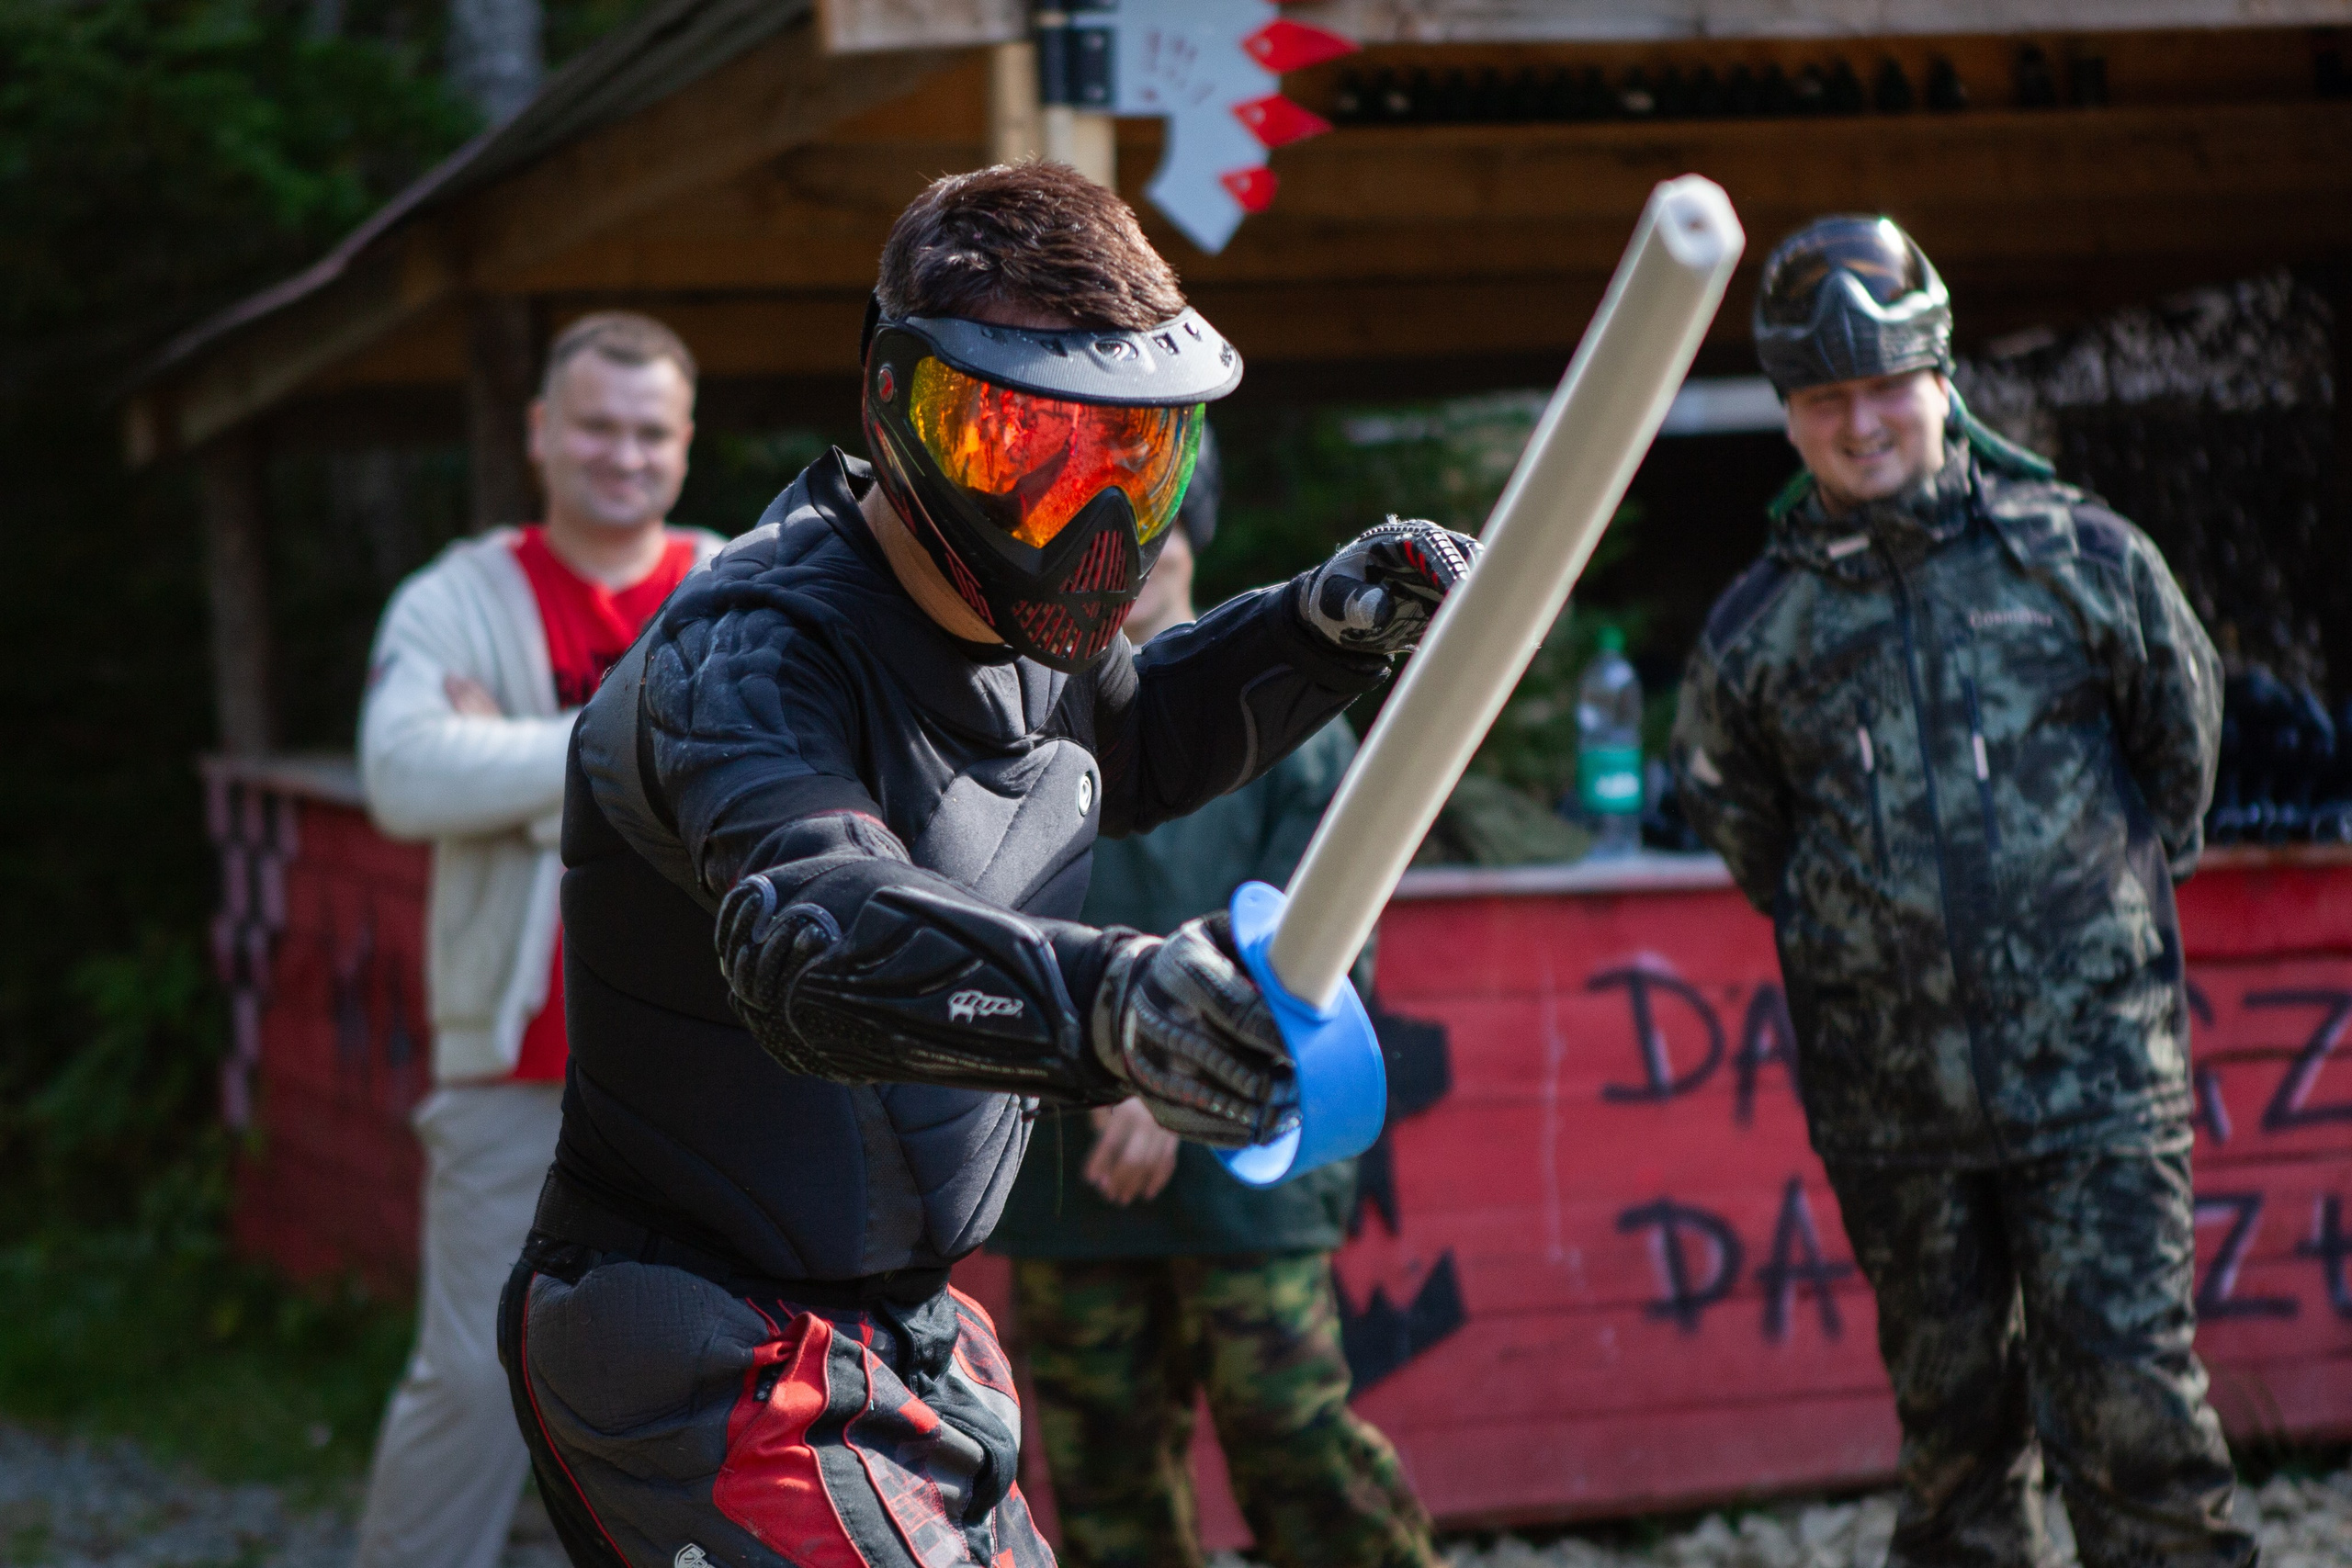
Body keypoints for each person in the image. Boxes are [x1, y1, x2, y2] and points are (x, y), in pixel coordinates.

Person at [495, 161, 1477, 1568]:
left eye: (1130, 453)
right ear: (898, 405)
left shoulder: (1014, 635)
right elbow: (817, 928)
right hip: (697, 1343)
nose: (1085, 510)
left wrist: (1322, 629)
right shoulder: (750, 653)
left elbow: (1120, 750)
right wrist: (1119, 1004)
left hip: (909, 1331)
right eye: (1025, 438)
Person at [1670, 215, 2249, 1568]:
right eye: (1826, 397)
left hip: (2098, 1082)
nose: (1861, 422)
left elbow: (2181, 759)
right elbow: (1750, 832)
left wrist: (2069, 929)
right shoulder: (1759, 630)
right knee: (1955, 1444)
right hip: (1895, 1112)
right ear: (1792, 413)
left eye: (1886, 385)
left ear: (1941, 378)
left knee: (2139, 1419)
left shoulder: (2083, 559)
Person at [988, 427, 1440, 1568]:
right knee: (1106, 1481)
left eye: (1153, 533)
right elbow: (979, 929)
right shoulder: (1006, 718)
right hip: (1070, 1176)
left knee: (1290, 1435)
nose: (1131, 567)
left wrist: (1160, 1090)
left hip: (1248, 1164)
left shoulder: (1281, 717)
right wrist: (1088, 1076)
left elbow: (1322, 932)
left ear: (1192, 536)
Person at [355, 311, 722, 1568]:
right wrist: (631, 747)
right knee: (469, 1375)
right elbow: (404, 775)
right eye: (597, 425)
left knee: (720, 1381)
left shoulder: (740, 581)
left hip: (714, 1071)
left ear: (684, 443)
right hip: (516, 1062)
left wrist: (516, 756)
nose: (622, 454)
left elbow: (801, 776)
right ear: (541, 433)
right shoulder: (459, 596)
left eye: (650, 430)